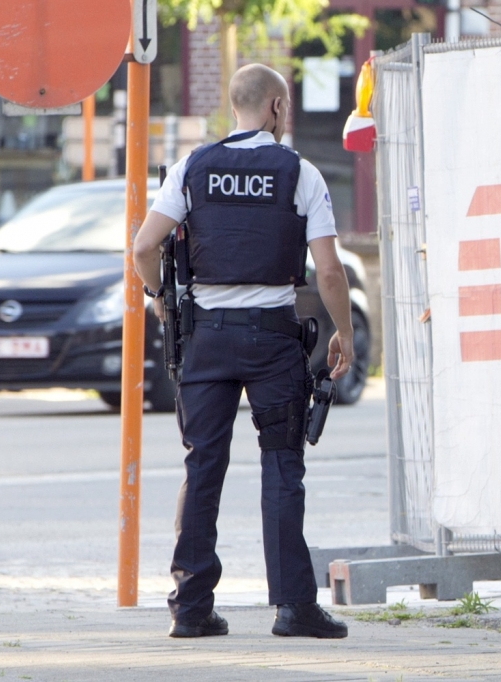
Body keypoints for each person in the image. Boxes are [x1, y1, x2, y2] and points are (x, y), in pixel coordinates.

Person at [133, 63, 354, 640]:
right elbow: (328, 269)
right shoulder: (299, 172)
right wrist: (345, 333)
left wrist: (159, 295)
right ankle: (292, 607)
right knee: (282, 463)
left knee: (202, 465)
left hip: (205, 336)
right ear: (277, 107)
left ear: (236, 107)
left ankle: (190, 607)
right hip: (273, 337)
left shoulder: (192, 167)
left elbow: (143, 246)